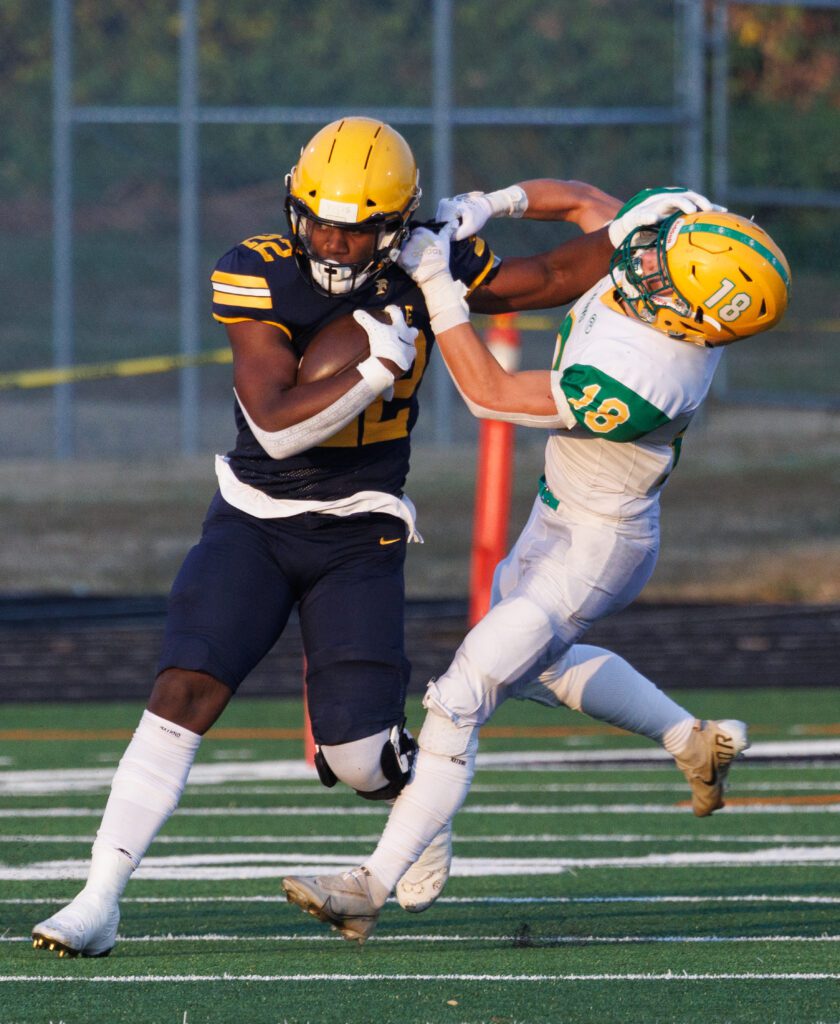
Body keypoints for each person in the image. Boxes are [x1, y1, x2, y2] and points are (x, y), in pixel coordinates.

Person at [30, 116, 703, 959]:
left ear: (395, 221)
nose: (335, 241)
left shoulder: (426, 260)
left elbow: (556, 271)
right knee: (184, 688)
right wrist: (371, 373)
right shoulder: (256, 269)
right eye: (320, 219)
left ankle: (413, 793)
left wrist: (668, 235)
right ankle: (99, 899)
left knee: (357, 760)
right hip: (256, 513)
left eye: (356, 226)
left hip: (361, 527)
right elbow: (274, 427)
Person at [280, 194, 792, 942]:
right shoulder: (674, 250)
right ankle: (691, 740)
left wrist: (440, 291)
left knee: (460, 698)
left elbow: (490, 395)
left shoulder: (653, 378)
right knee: (537, 670)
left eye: (666, 273)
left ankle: (372, 884)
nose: (644, 261)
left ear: (698, 318)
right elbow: (587, 206)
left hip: (599, 546)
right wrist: (493, 203)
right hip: (557, 513)